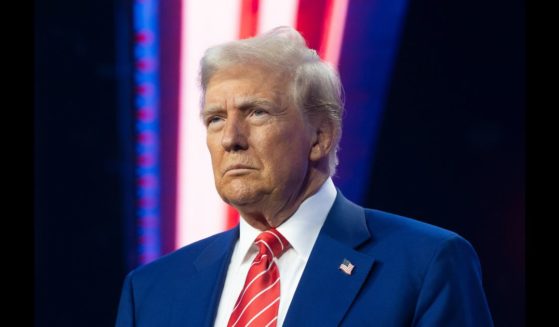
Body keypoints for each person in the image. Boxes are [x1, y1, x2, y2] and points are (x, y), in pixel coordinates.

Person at [115, 26, 493, 326]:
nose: (230, 138)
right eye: (215, 119)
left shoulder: (425, 265)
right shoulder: (151, 290)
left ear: (320, 137)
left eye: (257, 112)